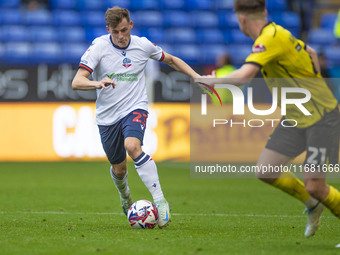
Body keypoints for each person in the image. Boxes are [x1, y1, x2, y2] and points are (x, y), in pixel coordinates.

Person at [198, 0, 340, 238]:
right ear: (263, 12)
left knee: (315, 185)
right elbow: (312, 52)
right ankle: (313, 205)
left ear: (241, 19)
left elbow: (244, 76)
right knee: (266, 170)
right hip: (297, 116)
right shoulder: (279, 33)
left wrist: (211, 81)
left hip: (322, 117)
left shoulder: (269, 39)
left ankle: (316, 199)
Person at [72, 6, 200, 228]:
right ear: (108, 30)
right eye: (115, 32)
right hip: (107, 116)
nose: (121, 37)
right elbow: (77, 81)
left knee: (133, 146)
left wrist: (198, 77)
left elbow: (171, 60)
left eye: (124, 30)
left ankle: (160, 200)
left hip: (135, 107)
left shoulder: (143, 45)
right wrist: (97, 82)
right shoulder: (98, 47)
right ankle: (125, 196)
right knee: (119, 169)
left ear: (130, 25)